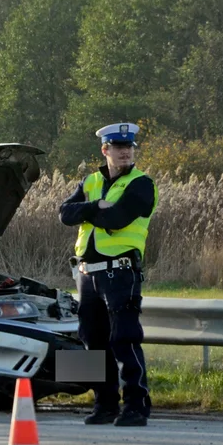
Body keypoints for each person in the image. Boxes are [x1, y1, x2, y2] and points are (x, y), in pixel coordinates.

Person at [59, 122, 158, 427]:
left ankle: (136, 406)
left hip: (120, 273)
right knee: (91, 341)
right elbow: (64, 213)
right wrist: (96, 205)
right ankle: (104, 405)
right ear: (105, 151)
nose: (125, 152)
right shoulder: (90, 181)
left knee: (124, 339)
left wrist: (88, 211)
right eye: (118, 148)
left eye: (129, 148)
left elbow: (117, 219)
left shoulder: (142, 184)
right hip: (87, 275)